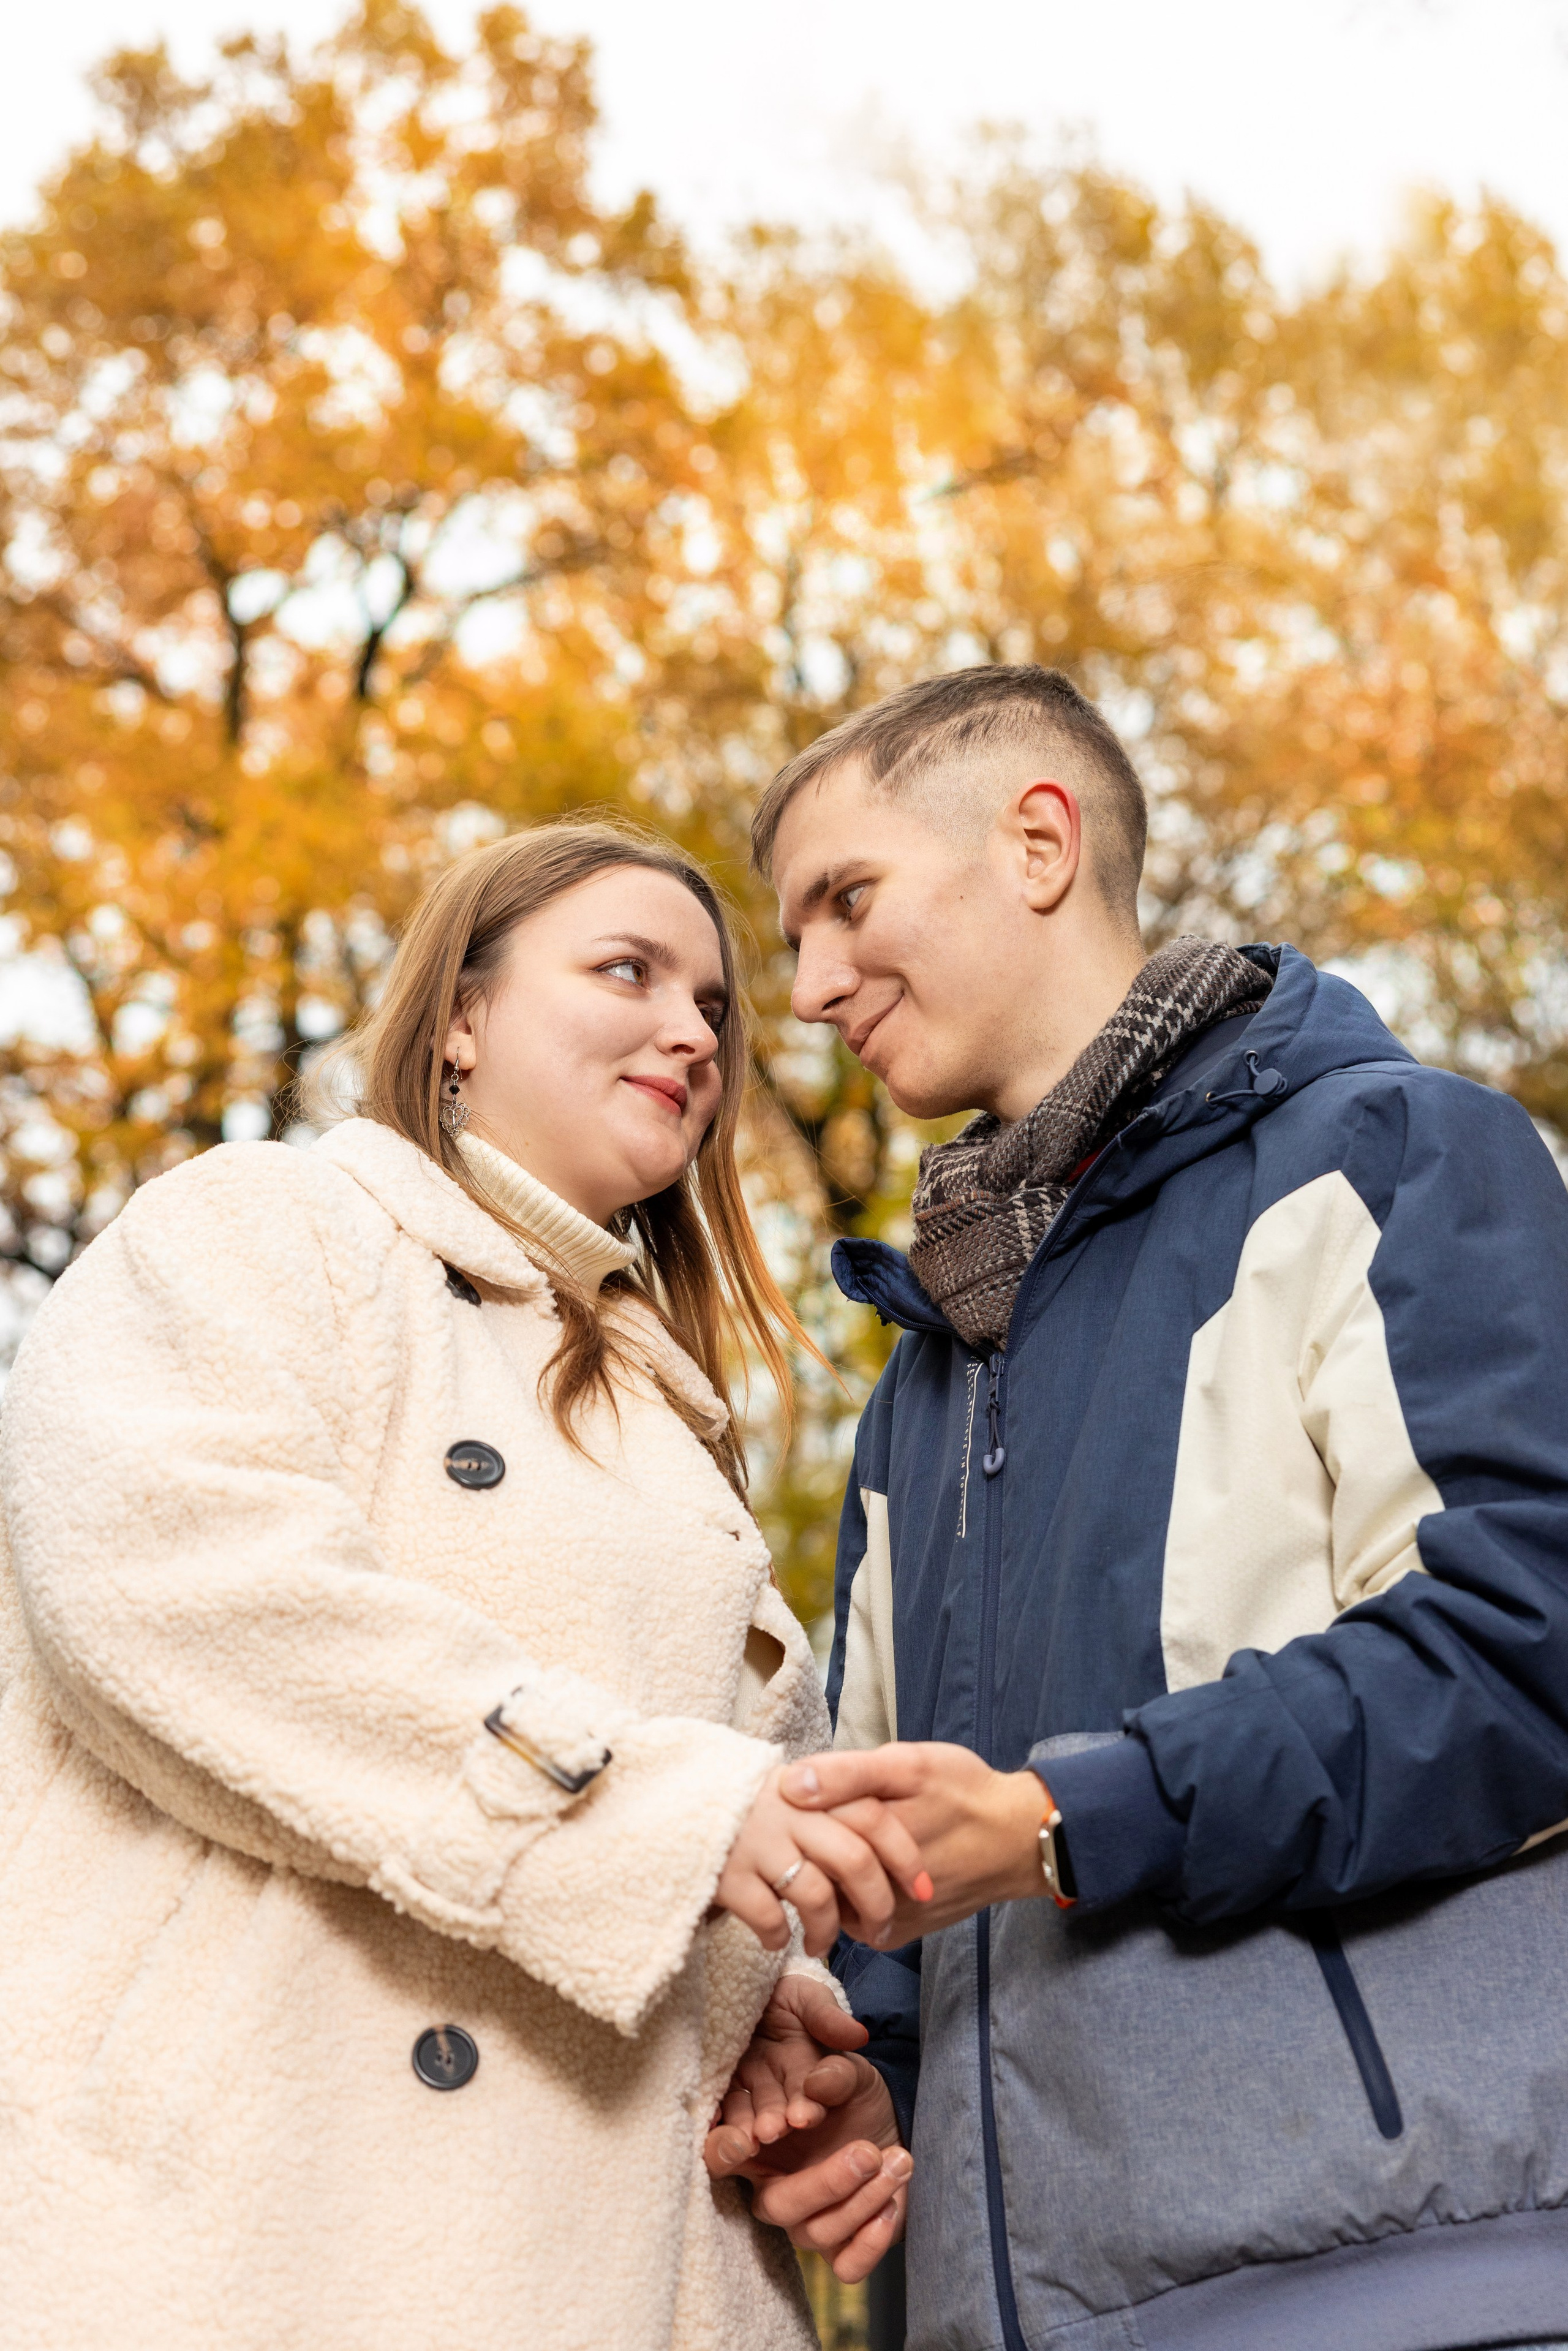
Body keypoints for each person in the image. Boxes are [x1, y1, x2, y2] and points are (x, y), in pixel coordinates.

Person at [708, 665, 1568, 2351]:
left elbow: (1524, 1643)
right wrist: (861, 2088)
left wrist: (1060, 1817)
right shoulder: (922, 1381)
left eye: (847, 900)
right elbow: (906, 1873)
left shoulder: (1399, 1157)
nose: (807, 986)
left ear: (1039, 841)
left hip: (1404, 2290)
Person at [0, 820, 929, 2351]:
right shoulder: (273, 1229)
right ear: (460, 1018)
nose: (690, 1030)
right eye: (626, 969)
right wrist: (657, 1817)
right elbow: (175, 1586)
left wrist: (785, 2057)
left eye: (712, 1005)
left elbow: (715, 1854)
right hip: (253, 2237)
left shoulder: (684, 1453)